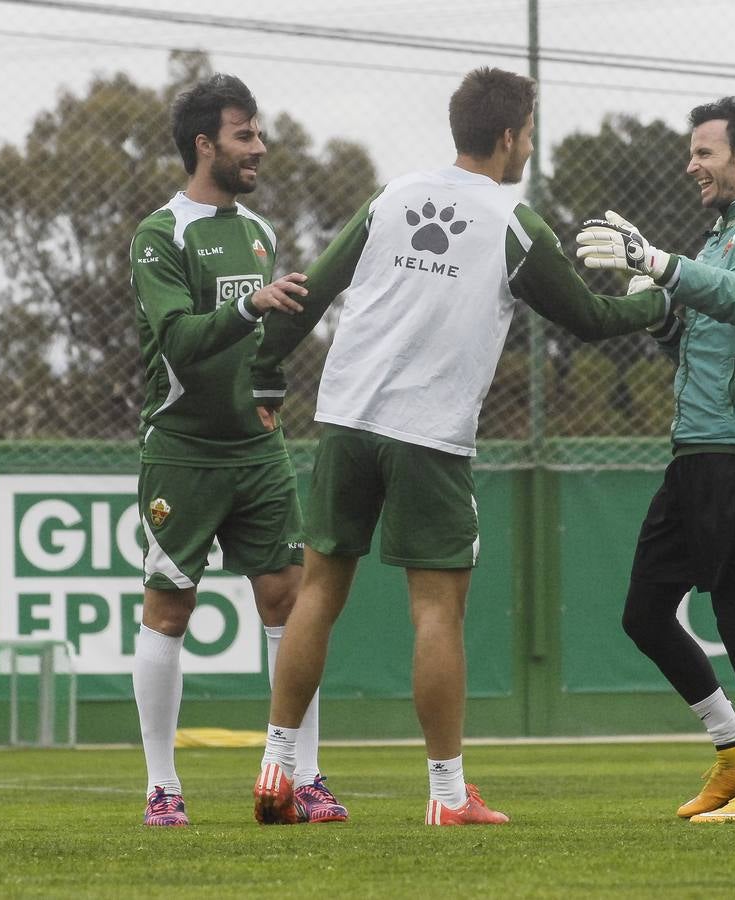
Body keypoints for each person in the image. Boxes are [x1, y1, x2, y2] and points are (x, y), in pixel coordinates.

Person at [248, 67, 673, 826]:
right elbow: (587, 316)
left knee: (317, 593)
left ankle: (276, 768)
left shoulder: (394, 195)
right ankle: (447, 796)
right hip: (429, 437)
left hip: (346, 419)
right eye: (531, 133)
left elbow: (311, 288)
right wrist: (658, 300)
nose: (531, 147)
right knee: (435, 614)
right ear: (509, 136)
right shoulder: (516, 223)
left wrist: (266, 374)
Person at [576, 96, 735, 823]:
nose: (691, 164)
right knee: (645, 613)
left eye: (704, 151)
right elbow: (707, 337)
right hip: (697, 449)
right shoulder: (720, 237)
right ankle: (733, 755)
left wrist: (658, 261)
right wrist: (660, 315)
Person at [128, 73, 346, 827]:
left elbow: (266, 349)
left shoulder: (259, 233)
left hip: (258, 455)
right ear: (204, 145)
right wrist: (248, 304)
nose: (259, 147)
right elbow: (180, 342)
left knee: (291, 604)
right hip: (183, 452)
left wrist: (271, 394)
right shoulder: (162, 234)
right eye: (245, 135)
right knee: (170, 607)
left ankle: (303, 775)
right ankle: (163, 787)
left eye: (258, 134)